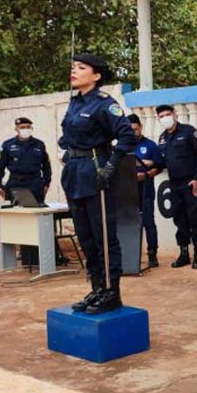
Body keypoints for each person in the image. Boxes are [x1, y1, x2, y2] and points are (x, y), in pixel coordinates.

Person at [60, 54, 136, 315]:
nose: (74, 71)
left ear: (96, 75)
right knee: (86, 237)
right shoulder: (73, 103)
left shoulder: (105, 104)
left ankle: (111, 291)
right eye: (73, 67)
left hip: (96, 170)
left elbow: (126, 136)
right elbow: (67, 136)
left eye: (81, 68)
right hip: (74, 172)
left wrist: (112, 165)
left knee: (103, 235)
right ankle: (97, 288)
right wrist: (65, 152)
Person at [156, 104, 197, 269]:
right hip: (174, 185)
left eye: (167, 114)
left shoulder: (188, 131)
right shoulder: (162, 138)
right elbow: (163, 161)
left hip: (191, 183)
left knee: (195, 218)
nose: (165, 118)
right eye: (161, 116)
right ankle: (184, 253)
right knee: (179, 218)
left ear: (175, 115)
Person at [128, 114, 162, 267]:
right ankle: (130, 255)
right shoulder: (122, 146)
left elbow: (160, 166)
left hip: (146, 189)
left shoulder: (150, 145)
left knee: (148, 222)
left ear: (140, 126)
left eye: (135, 129)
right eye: (130, 130)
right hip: (127, 191)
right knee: (128, 224)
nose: (133, 133)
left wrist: (147, 173)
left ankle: (152, 254)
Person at [0, 117, 52, 204]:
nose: (25, 129)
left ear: (32, 128)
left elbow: (47, 166)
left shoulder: (39, 144)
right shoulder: (8, 145)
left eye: (28, 127)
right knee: (15, 214)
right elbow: (0, 167)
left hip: (35, 184)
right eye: (22, 127)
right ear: (16, 129)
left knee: (36, 214)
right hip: (15, 183)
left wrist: (46, 184)